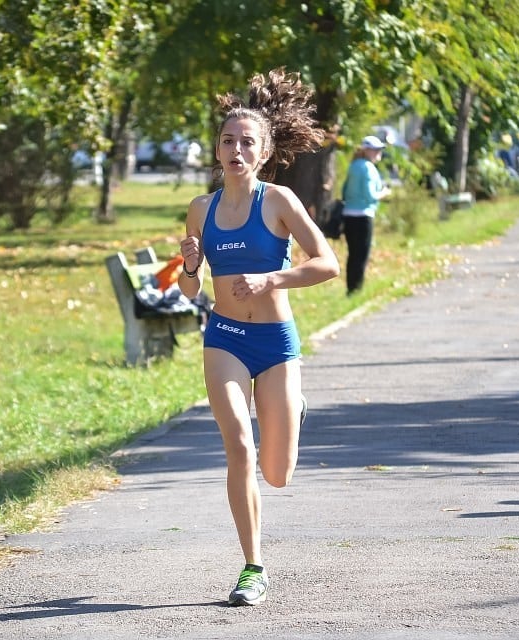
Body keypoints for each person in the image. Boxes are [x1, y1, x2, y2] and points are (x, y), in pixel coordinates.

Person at [176, 68, 340, 606]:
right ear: (217, 149)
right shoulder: (201, 209)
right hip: (223, 338)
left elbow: (328, 264)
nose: (236, 150)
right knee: (239, 449)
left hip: (275, 342)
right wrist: (191, 267)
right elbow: (187, 289)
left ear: (264, 152)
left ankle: (292, 407)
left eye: (247, 142)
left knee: (278, 473)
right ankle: (253, 565)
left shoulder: (280, 202)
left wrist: (272, 278)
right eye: (228, 141)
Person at [341, 135, 391, 294]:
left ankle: (350, 288)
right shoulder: (369, 168)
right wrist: (384, 192)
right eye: (375, 150)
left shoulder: (354, 165)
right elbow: (371, 195)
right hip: (364, 216)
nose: (378, 153)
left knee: (352, 253)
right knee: (362, 253)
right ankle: (357, 289)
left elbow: (344, 191)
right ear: (367, 151)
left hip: (348, 215)